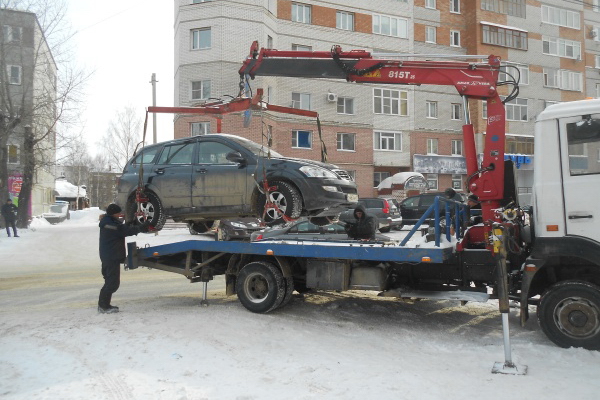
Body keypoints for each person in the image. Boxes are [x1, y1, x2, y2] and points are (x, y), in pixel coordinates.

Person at [98, 203, 150, 314]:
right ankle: (103, 306)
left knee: (111, 282)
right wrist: (140, 228)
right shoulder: (109, 225)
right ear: (113, 213)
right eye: (118, 213)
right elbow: (123, 231)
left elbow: (122, 227)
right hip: (110, 257)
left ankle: (104, 305)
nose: (120, 215)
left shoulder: (109, 222)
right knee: (112, 283)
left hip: (111, 256)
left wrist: (131, 223)